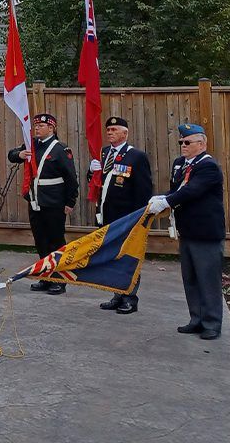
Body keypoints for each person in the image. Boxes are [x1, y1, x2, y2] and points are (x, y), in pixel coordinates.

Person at [146, 123, 225, 340]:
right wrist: (162, 197)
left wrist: (167, 201)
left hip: (205, 231)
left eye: (187, 142)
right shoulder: (180, 164)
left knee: (208, 279)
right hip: (187, 230)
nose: (183, 145)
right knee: (190, 277)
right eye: (181, 142)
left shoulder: (208, 166)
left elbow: (192, 190)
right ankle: (196, 318)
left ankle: (212, 323)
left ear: (202, 143)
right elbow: (177, 189)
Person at [87, 116, 153, 314]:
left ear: (125, 133)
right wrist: (91, 172)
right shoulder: (104, 153)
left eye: (114, 129)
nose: (110, 132)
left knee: (127, 257)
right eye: (108, 129)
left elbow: (143, 191)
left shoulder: (136, 156)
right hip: (106, 216)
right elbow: (99, 184)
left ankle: (130, 297)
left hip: (127, 217)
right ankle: (116, 294)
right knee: (111, 257)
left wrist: (138, 218)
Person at [7, 113, 78, 294]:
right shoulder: (31, 146)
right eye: (36, 126)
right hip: (35, 201)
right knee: (41, 241)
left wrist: (70, 201)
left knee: (55, 242)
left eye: (40, 126)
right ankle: (45, 277)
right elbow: (11, 155)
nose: (37, 128)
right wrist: (20, 154)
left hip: (54, 202)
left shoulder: (60, 149)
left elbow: (71, 178)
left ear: (51, 128)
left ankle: (59, 280)